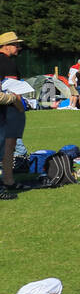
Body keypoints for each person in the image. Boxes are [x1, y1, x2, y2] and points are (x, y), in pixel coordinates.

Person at [0, 32, 27, 197]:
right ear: (6, 45)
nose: (19, 48)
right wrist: (19, 107)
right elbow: (14, 91)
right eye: (16, 44)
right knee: (7, 148)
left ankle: (8, 181)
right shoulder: (7, 64)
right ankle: (7, 181)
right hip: (8, 110)